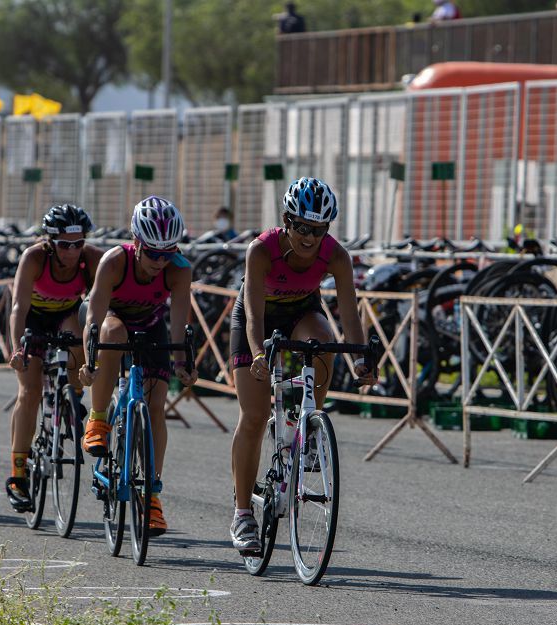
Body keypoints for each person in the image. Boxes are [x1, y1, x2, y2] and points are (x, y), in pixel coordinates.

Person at [227, 177, 375, 556]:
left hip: (300, 312)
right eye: (303, 228)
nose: (310, 238)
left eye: (319, 229)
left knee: (323, 338)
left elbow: (350, 317)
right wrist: (259, 354)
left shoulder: (335, 255)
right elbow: (256, 318)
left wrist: (360, 359)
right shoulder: (261, 250)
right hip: (256, 317)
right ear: (286, 221)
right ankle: (243, 513)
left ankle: (308, 424)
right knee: (255, 414)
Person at [78, 196, 197, 536]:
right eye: (154, 253)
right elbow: (95, 317)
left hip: (151, 324)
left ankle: (152, 495)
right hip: (109, 319)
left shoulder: (179, 269)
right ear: (136, 243)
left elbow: (179, 324)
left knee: (156, 407)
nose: (161, 261)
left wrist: (182, 364)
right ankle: (98, 419)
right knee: (112, 332)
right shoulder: (115, 262)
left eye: (168, 253)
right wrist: (89, 361)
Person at [4, 204, 104, 513]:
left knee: (79, 333)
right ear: (50, 242)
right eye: (65, 245)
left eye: (78, 243)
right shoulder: (34, 258)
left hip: (66, 316)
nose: (73, 251)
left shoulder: (91, 259)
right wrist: (17, 349)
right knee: (30, 391)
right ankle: (18, 475)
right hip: (33, 320)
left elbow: (98, 307)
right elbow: (18, 307)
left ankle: (71, 395)